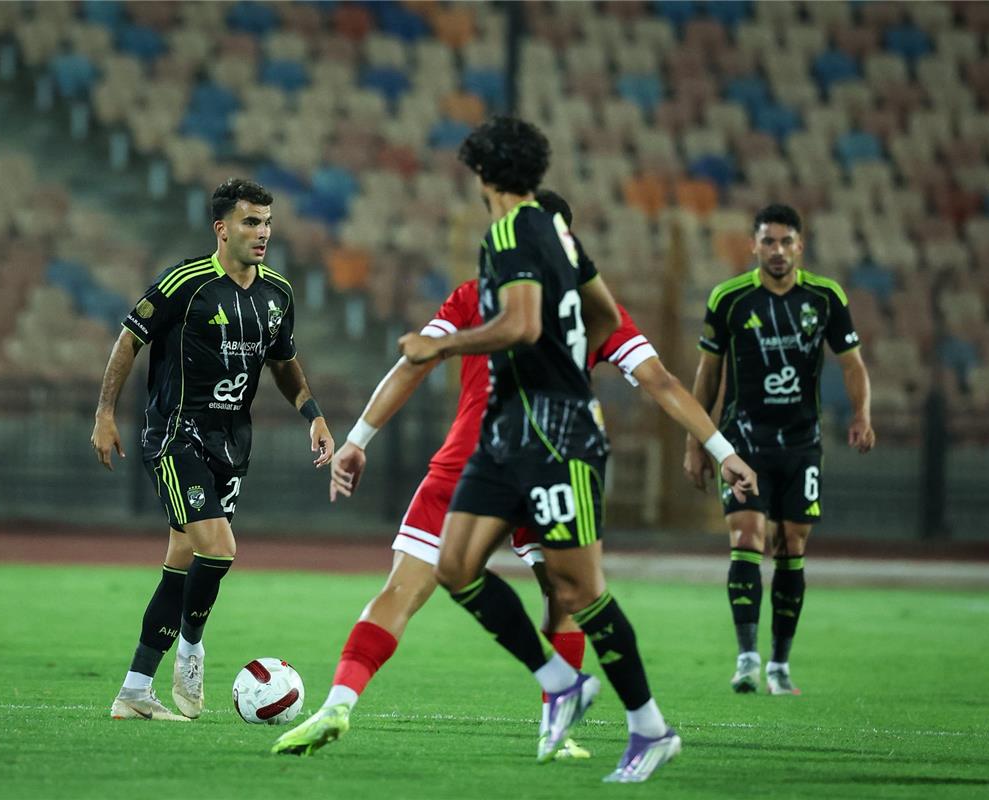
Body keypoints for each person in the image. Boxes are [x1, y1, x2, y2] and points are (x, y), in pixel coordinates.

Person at [271, 190, 758, 763]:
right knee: (569, 594)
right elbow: (661, 382)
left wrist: (358, 439)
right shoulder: (585, 310)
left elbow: (413, 361)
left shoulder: (478, 296)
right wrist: (722, 449)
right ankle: (566, 721)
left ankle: (339, 703)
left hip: (473, 464)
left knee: (405, 590)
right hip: (551, 464)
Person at [416, 117, 752, 783]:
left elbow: (522, 325)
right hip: (507, 430)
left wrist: (443, 345)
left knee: (578, 588)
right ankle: (560, 681)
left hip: (556, 433)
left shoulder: (509, 233)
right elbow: (602, 311)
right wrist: (572, 353)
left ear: (482, 174)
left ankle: (650, 728)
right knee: (454, 566)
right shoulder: (560, 235)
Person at [90, 178, 334, 721]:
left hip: (232, 442)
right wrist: (105, 413)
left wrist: (313, 414)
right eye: (251, 222)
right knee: (220, 549)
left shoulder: (278, 293)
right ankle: (191, 651)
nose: (262, 232)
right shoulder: (187, 283)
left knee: (181, 563)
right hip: (176, 435)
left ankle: (134, 691)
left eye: (267, 223)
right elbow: (130, 338)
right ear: (222, 229)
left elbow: (284, 362)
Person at [683, 203, 874, 696]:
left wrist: (861, 414)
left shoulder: (825, 297)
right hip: (743, 441)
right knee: (747, 537)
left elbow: (852, 363)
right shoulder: (729, 298)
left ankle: (780, 665)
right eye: (768, 241)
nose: (777, 250)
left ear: (800, 247)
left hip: (802, 443)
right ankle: (746, 659)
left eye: (786, 241)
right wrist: (696, 442)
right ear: (753, 246)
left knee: (791, 546)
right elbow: (708, 373)